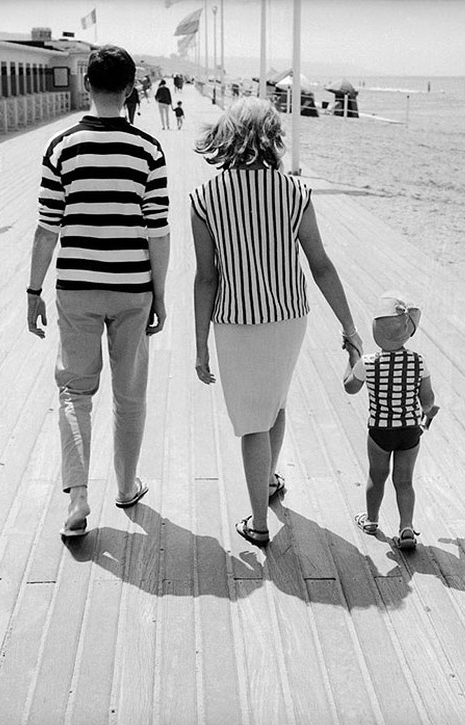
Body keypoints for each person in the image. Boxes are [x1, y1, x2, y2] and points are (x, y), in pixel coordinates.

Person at [190, 97, 363, 548]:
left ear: (228, 136)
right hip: (288, 317)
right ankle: (267, 482)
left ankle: (259, 523)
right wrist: (349, 327)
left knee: (252, 420)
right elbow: (321, 264)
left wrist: (200, 343)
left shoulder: (204, 198)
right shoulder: (294, 192)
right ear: (272, 137)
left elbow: (206, 277)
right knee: (276, 402)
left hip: (235, 320)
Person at [26, 45, 171, 538]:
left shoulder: (60, 147)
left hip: (77, 289)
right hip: (132, 289)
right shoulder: (149, 150)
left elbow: (46, 229)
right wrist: (159, 294)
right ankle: (127, 487)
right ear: (130, 90)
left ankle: (78, 497)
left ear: (86, 84)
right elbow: (158, 233)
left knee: (75, 392)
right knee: (129, 394)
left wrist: (33, 290)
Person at [343, 292, 437, 550]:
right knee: (404, 481)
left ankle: (371, 521)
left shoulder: (368, 362)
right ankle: (406, 528)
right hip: (409, 431)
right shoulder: (418, 362)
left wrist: (352, 356)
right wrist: (428, 411)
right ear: (408, 333)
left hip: (380, 431)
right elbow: (427, 401)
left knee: (377, 476)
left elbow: (350, 387)